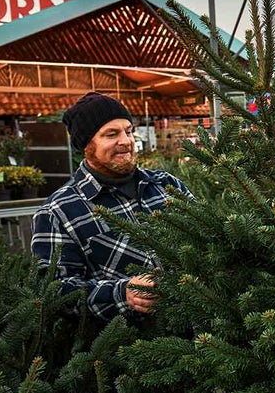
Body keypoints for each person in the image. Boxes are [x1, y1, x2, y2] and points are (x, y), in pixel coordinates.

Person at [31, 92, 194, 322]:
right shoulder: (59, 211)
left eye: (128, 131)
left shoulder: (165, 185)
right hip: (131, 348)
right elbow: (53, 292)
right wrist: (120, 293)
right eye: (111, 134)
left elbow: (206, 238)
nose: (126, 141)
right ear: (87, 145)